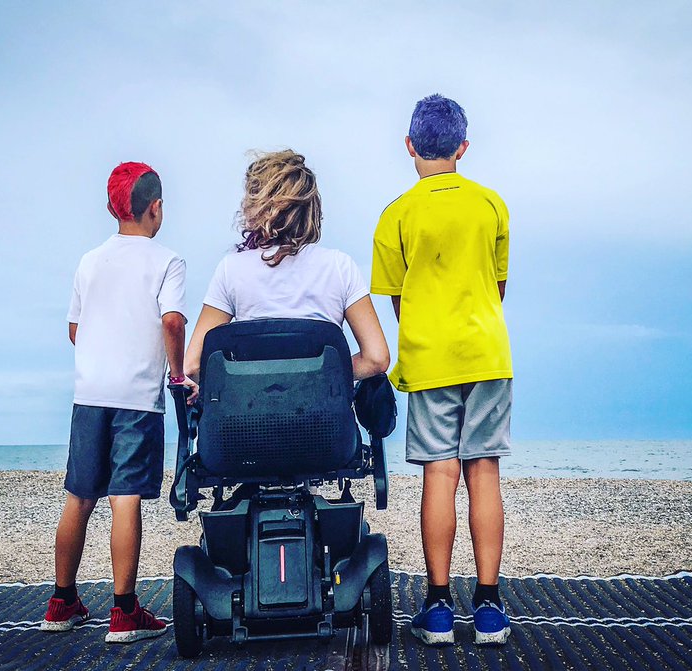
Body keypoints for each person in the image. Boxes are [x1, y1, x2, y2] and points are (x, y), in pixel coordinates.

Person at [371, 94, 513, 646]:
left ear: (409, 146)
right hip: (487, 353)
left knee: (440, 474)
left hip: (429, 359)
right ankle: (490, 606)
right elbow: (497, 289)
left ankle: (435, 608)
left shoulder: (396, 214)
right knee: (484, 472)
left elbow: (399, 302)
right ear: (463, 147)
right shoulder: (492, 206)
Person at [41, 161, 194, 644]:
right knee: (125, 497)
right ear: (156, 208)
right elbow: (172, 322)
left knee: (79, 496)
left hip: (89, 394)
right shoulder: (167, 261)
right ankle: (124, 612)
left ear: (114, 208)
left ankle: (61, 602)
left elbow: (74, 329)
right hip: (136, 397)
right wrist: (176, 373)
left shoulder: (90, 261)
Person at [185, 149, 390, 385]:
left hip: (251, 417)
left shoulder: (231, 269)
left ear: (255, 206)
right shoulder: (340, 266)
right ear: (311, 207)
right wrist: (321, 374)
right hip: (325, 417)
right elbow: (377, 358)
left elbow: (192, 366)